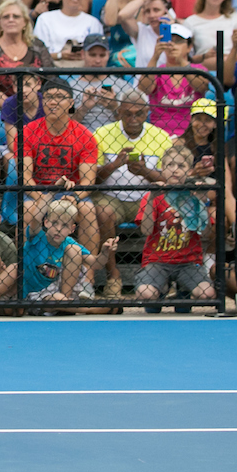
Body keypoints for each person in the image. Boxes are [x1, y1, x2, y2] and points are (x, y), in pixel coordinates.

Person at [93, 89, 173, 297]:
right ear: (118, 112)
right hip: (112, 196)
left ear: (147, 112)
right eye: (128, 113)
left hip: (148, 198)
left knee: (169, 211)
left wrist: (145, 171)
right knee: (102, 212)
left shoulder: (161, 137)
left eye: (139, 113)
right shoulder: (102, 133)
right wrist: (114, 165)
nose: (133, 119)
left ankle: (165, 275)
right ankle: (113, 276)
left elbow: (170, 179)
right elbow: (93, 178)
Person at [22, 79, 101, 263]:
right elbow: (25, 176)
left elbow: (88, 181)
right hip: (38, 191)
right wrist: (42, 198)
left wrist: (74, 197)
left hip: (69, 193)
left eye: (60, 97)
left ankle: (87, 276)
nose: (53, 102)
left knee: (87, 209)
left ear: (71, 103)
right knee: (27, 208)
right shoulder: (28, 131)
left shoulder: (85, 136)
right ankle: (27, 269)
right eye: (48, 97)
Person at [134, 145, 215, 305]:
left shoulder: (193, 195)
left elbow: (206, 234)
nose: (174, 170)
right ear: (162, 169)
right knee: (146, 295)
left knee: (207, 294)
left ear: (190, 171)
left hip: (188, 262)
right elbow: (146, 230)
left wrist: (200, 202)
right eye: (169, 165)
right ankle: (162, 288)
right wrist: (151, 200)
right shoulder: (153, 196)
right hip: (157, 261)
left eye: (181, 166)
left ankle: (183, 289)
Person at [137, 22, 208, 137]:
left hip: (191, 134)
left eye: (178, 41)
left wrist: (181, 61)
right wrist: (155, 56)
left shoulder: (198, 69)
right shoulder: (157, 70)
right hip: (159, 134)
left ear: (189, 47)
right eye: (169, 40)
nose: (172, 45)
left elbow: (201, 86)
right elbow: (144, 89)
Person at [66, 34, 134, 132]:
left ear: (108, 55)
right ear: (82, 54)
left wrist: (114, 107)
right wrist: (83, 108)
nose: (98, 60)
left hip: (115, 137)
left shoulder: (122, 85)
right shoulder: (70, 87)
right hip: (81, 138)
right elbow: (65, 125)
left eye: (102, 55)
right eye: (92, 55)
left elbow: (133, 124)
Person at [31, 0, 103, 64]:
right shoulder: (45, 19)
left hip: (85, 71)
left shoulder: (93, 22)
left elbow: (98, 53)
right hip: (52, 70)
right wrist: (60, 55)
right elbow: (38, 53)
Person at [184, 0, 237, 66]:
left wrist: (226, 58)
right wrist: (204, 56)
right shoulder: (190, 22)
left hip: (232, 68)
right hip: (203, 71)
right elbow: (187, 57)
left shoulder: (236, 19)